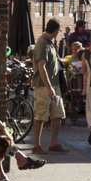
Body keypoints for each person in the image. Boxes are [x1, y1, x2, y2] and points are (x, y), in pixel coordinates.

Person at [32, 18, 68, 153]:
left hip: (55, 84)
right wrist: (48, 87)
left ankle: (54, 143)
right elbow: (41, 66)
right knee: (41, 115)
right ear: (56, 30)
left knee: (57, 114)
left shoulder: (50, 43)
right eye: (58, 30)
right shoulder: (42, 43)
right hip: (43, 86)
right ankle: (36, 145)